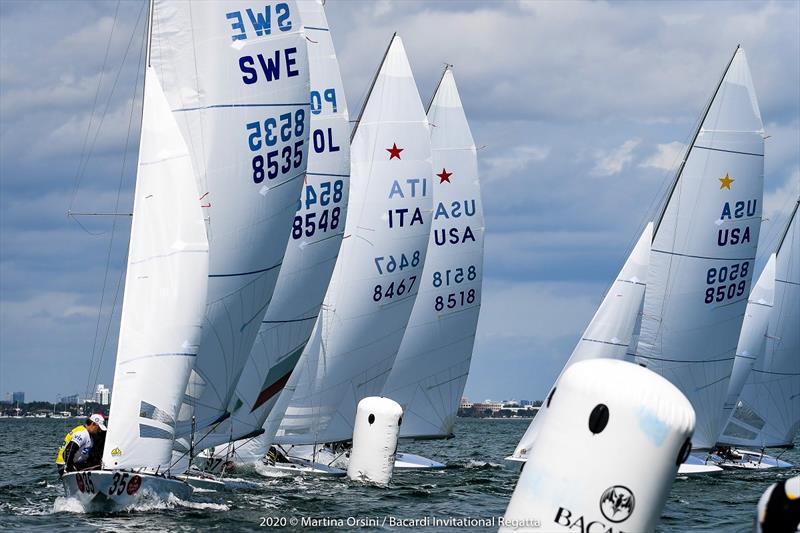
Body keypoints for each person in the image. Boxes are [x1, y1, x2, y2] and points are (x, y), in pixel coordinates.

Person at [55, 413, 107, 478]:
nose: (99, 431)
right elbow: (68, 451)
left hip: (73, 463)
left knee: (98, 466)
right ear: (93, 424)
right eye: (99, 428)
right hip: (65, 464)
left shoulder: (87, 433)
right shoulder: (82, 433)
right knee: (97, 467)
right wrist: (70, 469)